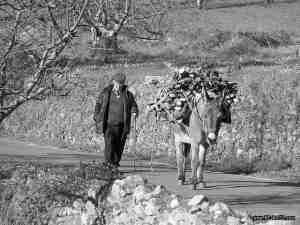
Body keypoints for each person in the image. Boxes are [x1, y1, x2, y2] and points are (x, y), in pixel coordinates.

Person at [94, 71, 138, 170]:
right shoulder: (106, 92)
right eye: (117, 84)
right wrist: (97, 116)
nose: (118, 86)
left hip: (122, 124)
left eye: (121, 84)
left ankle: (115, 164)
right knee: (109, 144)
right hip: (109, 123)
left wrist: (134, 111)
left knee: (119, 146)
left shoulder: (127, 94)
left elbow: (133, 105)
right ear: (113, 82)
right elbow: (98, 104)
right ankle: (108, 164)